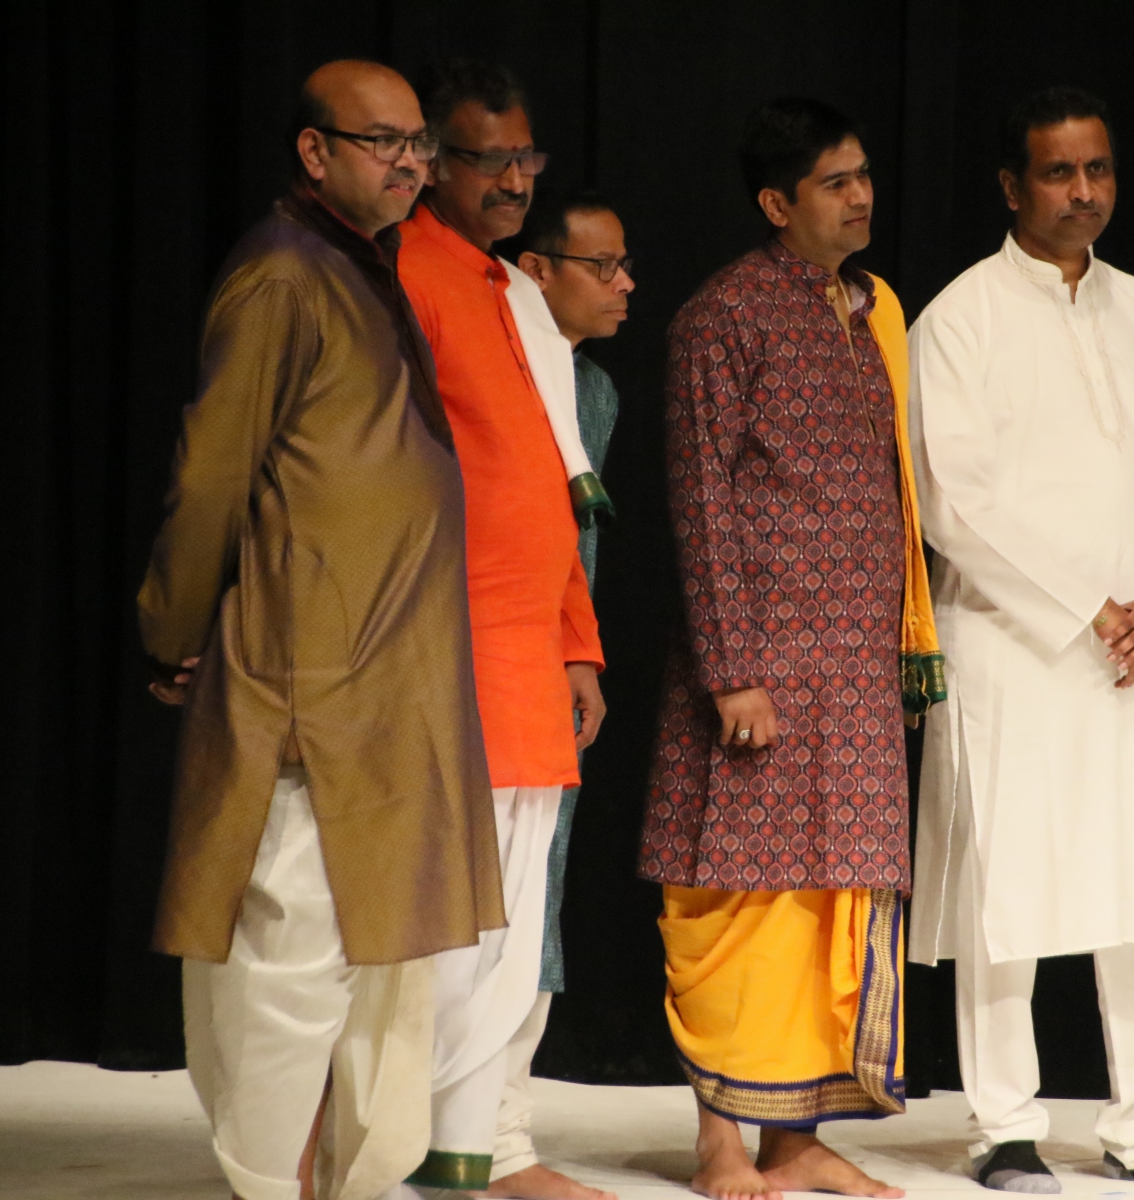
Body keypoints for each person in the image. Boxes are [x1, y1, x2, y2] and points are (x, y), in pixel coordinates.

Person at [139, 60, 504, 1200]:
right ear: (315, 151)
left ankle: (327, 1183)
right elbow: (213, 473)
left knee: (369, 953)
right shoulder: (283, 274)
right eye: (383, 141)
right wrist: (173, 625)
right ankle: (275, 1184)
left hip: (382, 677)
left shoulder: (357, 264)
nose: (410, 163)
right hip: (307, 677)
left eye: (419, 144)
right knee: (292, 959)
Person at [907, 87, 1134, 1192]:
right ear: (1012, 187)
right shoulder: (959, 319)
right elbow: (950, 501)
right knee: (1005, 891)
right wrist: (1086, 606)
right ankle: (1002, 1127)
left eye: (1097, 169)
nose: (1083, 192)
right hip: (1010, 650)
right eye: (1059, 173)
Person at [638, 98, 942, 1200]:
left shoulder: (870, 311)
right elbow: (701, 502)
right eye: (834, 182)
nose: (861, 196)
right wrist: (734, 672)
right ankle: (721, 1143)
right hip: (758, 670)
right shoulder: (722, 317)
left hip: (852, 677)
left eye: (863, 175)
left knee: (826, 902)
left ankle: (795, 1139)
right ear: (777, 202)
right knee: (736, 900)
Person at [395, 60, 611, 1200]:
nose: (517, 181)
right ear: (434, 163)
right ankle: (391, 1146)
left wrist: (579, 644)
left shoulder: (517, 295)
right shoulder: (404, 275)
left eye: (529, 158)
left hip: (529, 661)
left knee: (510, 932)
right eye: (493, 160)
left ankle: (467, 1155)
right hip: (443, 654)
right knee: (436, 930)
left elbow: (557, 485)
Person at [513, 189, 634, 1004]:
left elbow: (579, 547)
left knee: (544, 858)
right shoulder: (496, 371)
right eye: (603, 265)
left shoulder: (595, 391)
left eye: (624, 265)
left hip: (556, 656)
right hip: (483, 647)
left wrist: (580, 655)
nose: (625, 283)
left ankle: (514, 1077)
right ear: (537, 270)